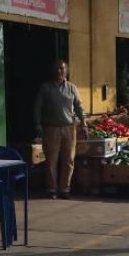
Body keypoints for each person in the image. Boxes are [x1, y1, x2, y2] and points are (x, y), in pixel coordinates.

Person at [34, 60, 87, 199]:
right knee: (51, 160)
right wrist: (37, 124)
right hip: (51, 129)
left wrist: (84, 123)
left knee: (69, 159)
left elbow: (79, 107)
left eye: (62, 69)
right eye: (57, 68)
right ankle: (52, 189)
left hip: (69, 128)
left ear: (66, 71)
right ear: (53, 71)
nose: (59, 71)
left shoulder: (72, 88)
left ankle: (65, 189)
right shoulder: (45, 88)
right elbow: (38, 107)